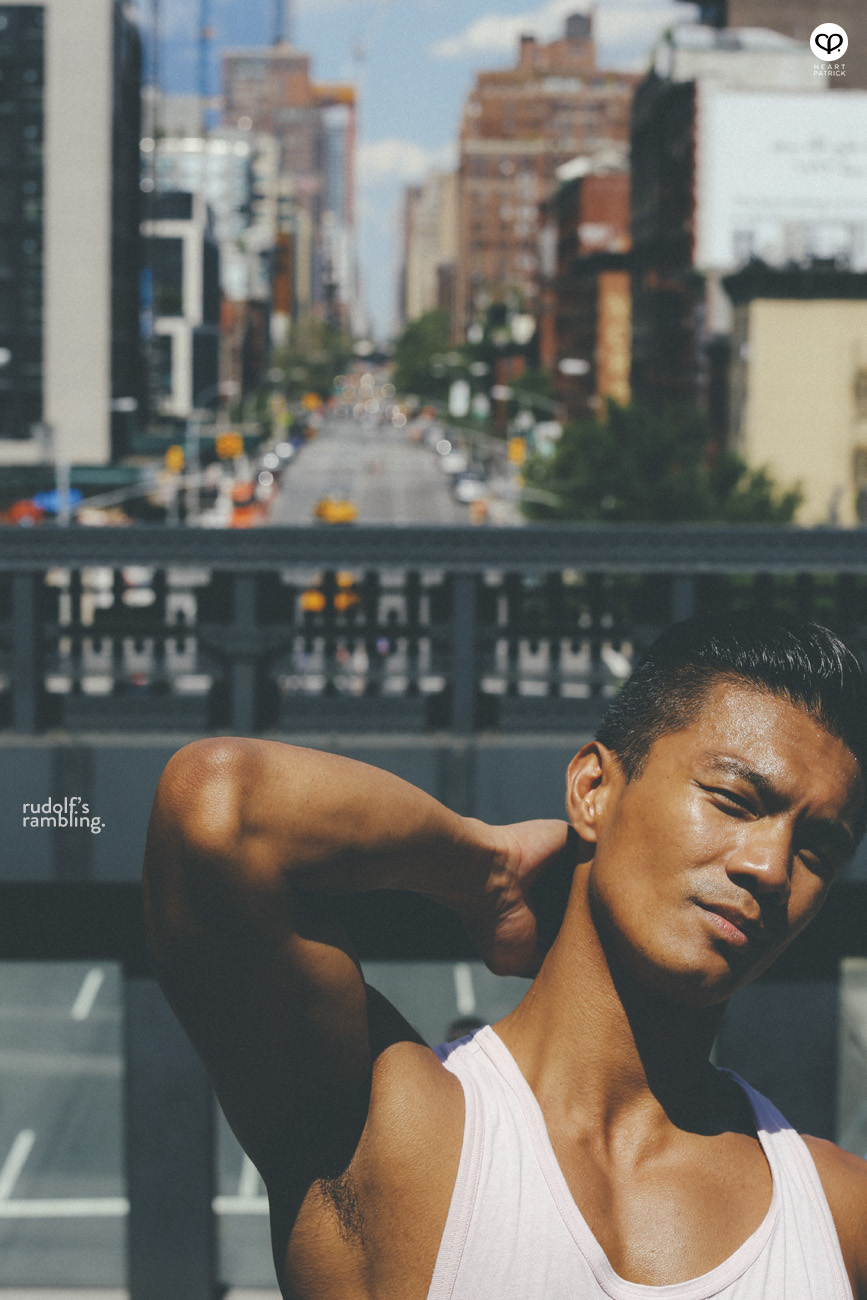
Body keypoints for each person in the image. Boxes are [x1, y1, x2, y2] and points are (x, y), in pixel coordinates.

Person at [143, 613, 867, 1299]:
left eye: (818, 849)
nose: (771, 868)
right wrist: (478, 868)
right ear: (592, 789)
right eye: (733, 800)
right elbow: (217, 806)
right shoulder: (392, 1132)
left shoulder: (839, 1216)